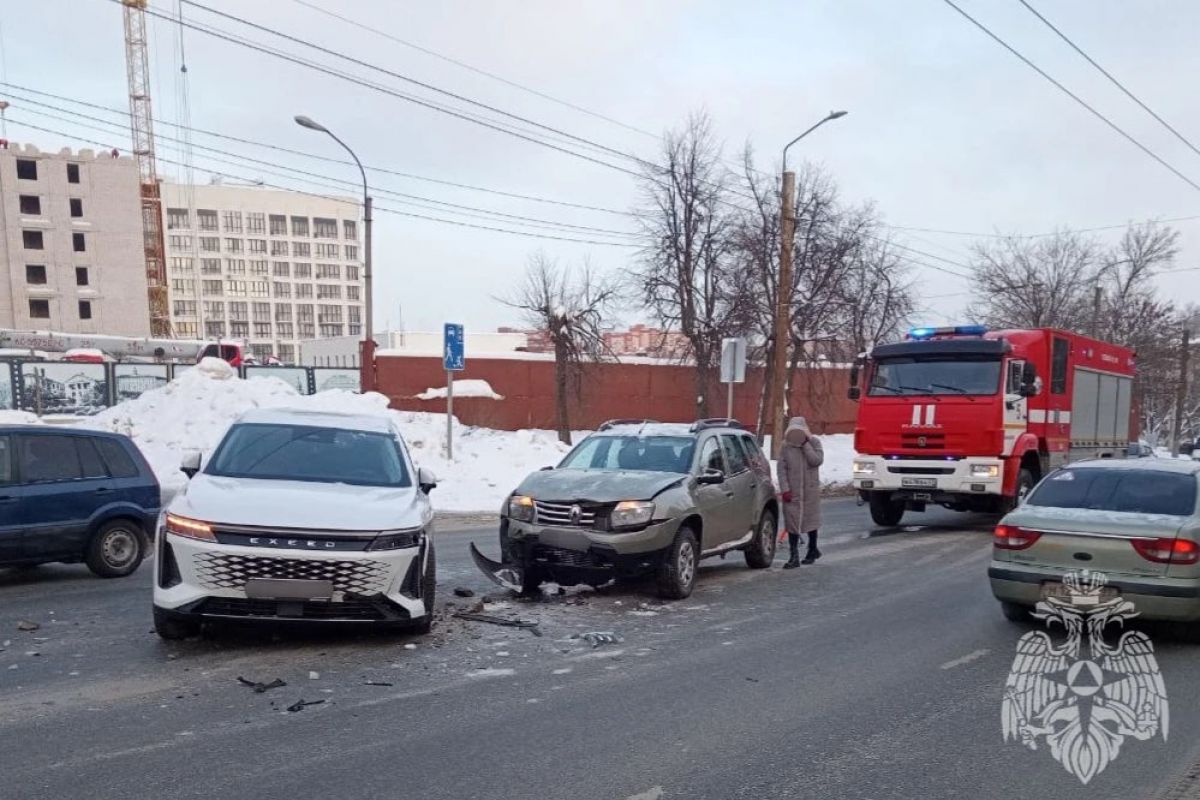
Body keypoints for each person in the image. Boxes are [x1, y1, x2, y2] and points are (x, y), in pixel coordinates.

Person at [777, 416, 824, 569]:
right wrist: (785, 489)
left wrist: (805, 445)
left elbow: (816, 461)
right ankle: (794, 556)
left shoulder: (814, 442)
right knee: (792, 522)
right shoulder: (785, 446)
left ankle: (812, 549)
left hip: (810, 491)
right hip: (793, 491)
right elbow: (781, 469)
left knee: (811, 521)